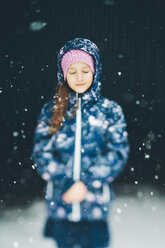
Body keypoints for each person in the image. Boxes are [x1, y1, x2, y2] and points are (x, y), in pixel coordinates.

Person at [31, 37, 130, 248]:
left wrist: (87, 183)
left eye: (85, 70)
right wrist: (67, 183)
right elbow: (42, 154)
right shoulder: (51, 111)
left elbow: (117, 153)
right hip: (61, 206)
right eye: (72, 71)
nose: (79, 77)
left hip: (95, 210)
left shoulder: (110, 111)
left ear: (95, 71)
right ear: (63, 74)